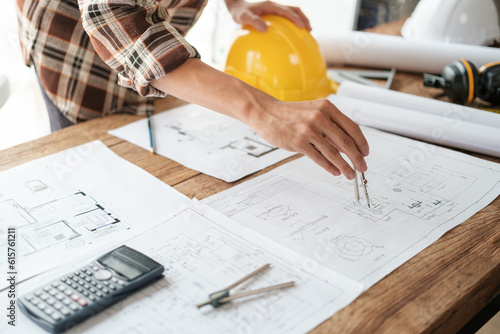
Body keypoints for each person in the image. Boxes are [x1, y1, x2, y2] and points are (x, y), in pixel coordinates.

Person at [16, 0, 369, 180]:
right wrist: (262, 110)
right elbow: (120, 20)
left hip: (145, 30)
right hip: (71, 46)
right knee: (90, 170)